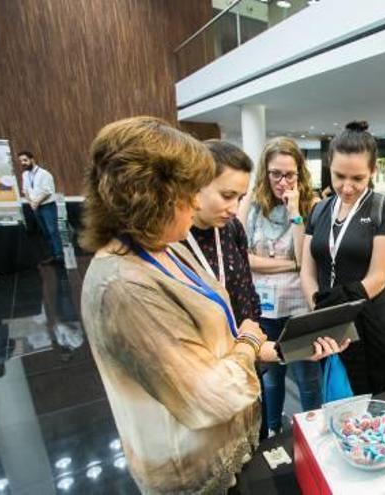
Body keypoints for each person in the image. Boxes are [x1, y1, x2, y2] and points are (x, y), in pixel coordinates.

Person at [79, 116, 346, 494]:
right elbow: (212, 397)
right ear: (153, 195)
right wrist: (251, 342)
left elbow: (217, 344)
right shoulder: (124, 286)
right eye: (192, 191)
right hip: (191, 471)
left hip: (227, 449)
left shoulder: (165, 249)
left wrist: (290, 349)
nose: (198, 203)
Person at [301, 121, 385, 395]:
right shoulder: (319, 209)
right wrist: (317, 307)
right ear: (329, 168)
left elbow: (379, 278)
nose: (346, 187)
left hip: (371, 319)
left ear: (373, 171)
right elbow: (307, 270)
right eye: (338, 176)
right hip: (328, 317)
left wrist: (341, 302)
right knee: (334, 388)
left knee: (370, 393)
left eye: (357, 178)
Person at [239, 137, 321, 435]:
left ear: (300, 174)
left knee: (307, 377)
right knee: (271, 378)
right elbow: (243, 258)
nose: (283, 181)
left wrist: (295, 213)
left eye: (290, 174)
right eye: (276, 173)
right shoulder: (252, 205)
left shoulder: (311, 206)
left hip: (299, 307)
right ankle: (272, 431)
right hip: (264, 308)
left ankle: (312, 433)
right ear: (265, 172)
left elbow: (304, 258)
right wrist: (290, 266)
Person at [184, 140, 261, 327]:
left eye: (240, 198)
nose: (234, 209)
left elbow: (248, 291)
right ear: (196, 185)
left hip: (246, 345)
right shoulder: (172, 239)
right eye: (227, 196)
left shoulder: (232, 228)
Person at [19, 150, 63, 264]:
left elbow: (47, 191)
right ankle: (53, 255)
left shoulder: (44, 174)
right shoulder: (25, 175)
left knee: (53, 231)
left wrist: (36, 202)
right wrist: (31, 202)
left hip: (47, 206)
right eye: (21, 161)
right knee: (45, 232)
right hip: (35, 207)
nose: (23, 163)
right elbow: (25, 190)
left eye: (25, 160)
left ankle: (59, 256)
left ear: (32, 159)